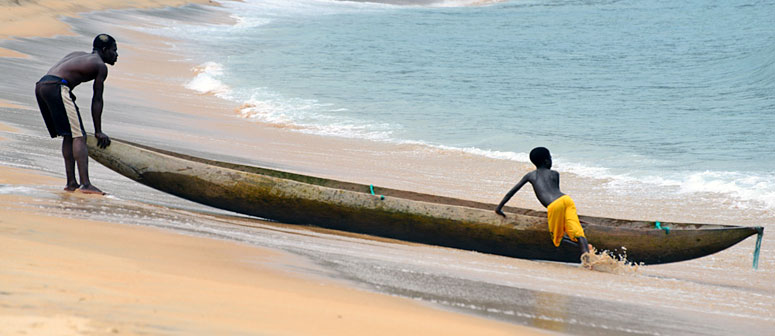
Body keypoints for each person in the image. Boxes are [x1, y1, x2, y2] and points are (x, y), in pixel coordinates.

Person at [34, 34, 117, 195]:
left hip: (42, 86)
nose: (116, 55)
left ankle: (71, 183)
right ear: (105, 50)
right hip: (57, 87)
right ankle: (86, 184)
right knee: (79, 136)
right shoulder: (100, 66)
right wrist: (98, 131)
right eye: (114, 50)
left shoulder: (78, 54)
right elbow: (97, 100)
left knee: (69, 134)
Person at [495, 147, 591, 256]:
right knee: (578, 234)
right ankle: (587, 255)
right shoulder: (555, 174)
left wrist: (499, 208)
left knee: (557, 240)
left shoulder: (530, 175)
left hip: (554, 206)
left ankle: (582, 250)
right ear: (546, 161)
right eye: (550, 158)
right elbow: (556, 193)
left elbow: (511, 192)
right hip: (567, 200)